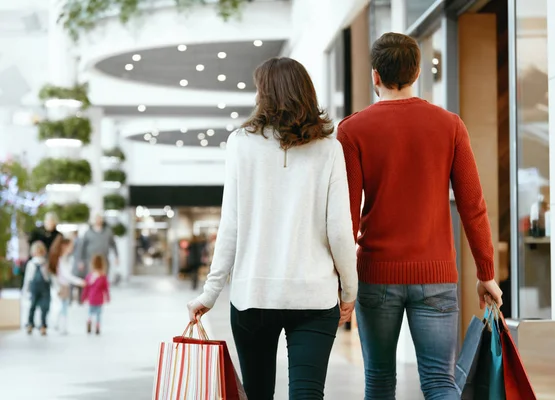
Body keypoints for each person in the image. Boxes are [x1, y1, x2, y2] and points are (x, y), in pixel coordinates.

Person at [336, 32, 503, 400]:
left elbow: (345, 218)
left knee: (378, 381)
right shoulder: (450, 125)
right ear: (416, 75)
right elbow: (473, 206)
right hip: (437, 276)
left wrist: (343, 282)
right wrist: (486, 273)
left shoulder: (352, 130)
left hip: (377, 277)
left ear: (375, 76)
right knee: (440, 383)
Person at [186, 57, 358, 400]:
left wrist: (210, 293)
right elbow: (340, 229)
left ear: (265, 95)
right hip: (314, 295)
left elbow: (230, 225)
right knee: (308, 394)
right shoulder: (329, 149)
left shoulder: (241, 143)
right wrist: (350, 290)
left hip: (254, 296)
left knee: (258, 392)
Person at [48, 236, 85, 334]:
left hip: (64, 286)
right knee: (62, 307)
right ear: (64, 246)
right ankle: (60, 326)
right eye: (71, 246)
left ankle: (59, 325)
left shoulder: (64, 259)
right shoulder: (61, 260)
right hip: (62, 286)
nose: (72, 249)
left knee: (62, 306)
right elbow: (67, 275)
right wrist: (80, 282)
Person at [77, 213, 119, 281]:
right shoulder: (88, 232)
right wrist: (81, 261)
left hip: (104, 259)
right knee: (91, 279)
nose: (98, 220)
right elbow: (82, 247)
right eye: (96, 219)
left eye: (100, 218)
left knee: (103, 278)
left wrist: (116, 256)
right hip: (91, 260)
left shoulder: (108, 231)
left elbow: (113, 244)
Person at [22, 241, 50, 335]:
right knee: (32, 306)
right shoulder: (31, 264)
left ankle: (43, 325)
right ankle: (30, 324)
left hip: (44, 288)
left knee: (44, 307)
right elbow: (27, 278)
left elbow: (48, 277)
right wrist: (25, 290)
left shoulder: (45, 263)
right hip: (34, 287)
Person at [81, 254, 110, 335]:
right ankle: (97, 325)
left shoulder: (89, 276)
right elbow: (106, 288)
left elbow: (86, 288)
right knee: (98, 313)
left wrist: (83, 297)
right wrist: (108, 297)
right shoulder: (103, 277)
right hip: (99, 299)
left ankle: (89, 320)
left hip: (91, 298)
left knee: (90, 312)